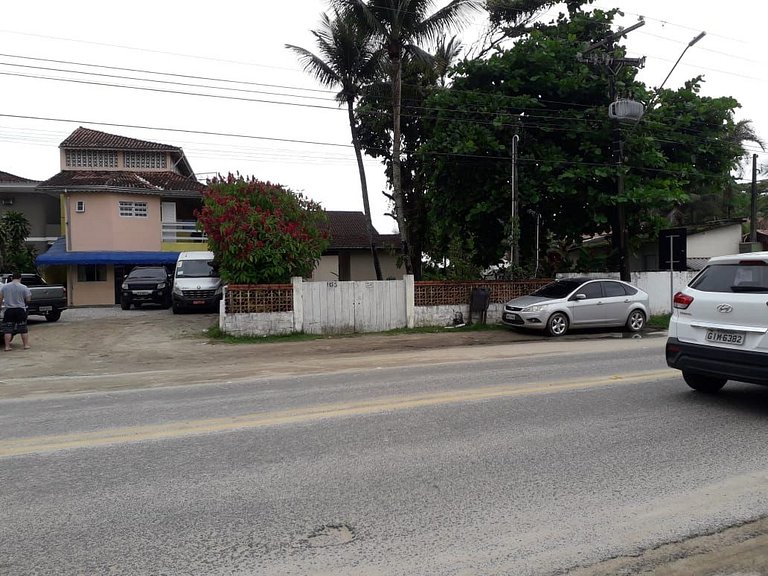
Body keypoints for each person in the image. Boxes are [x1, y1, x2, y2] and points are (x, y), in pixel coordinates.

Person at [0, 271, 32, 351]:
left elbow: (0, 298)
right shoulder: (24, 287)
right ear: (20, 278)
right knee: (23, 328)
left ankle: (7, 346)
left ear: (11, 278)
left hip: (9, 310)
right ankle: (26, 345)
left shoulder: (4, 287)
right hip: (20, 309)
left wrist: (0, 306)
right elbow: (28, 299)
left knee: (7, 329)